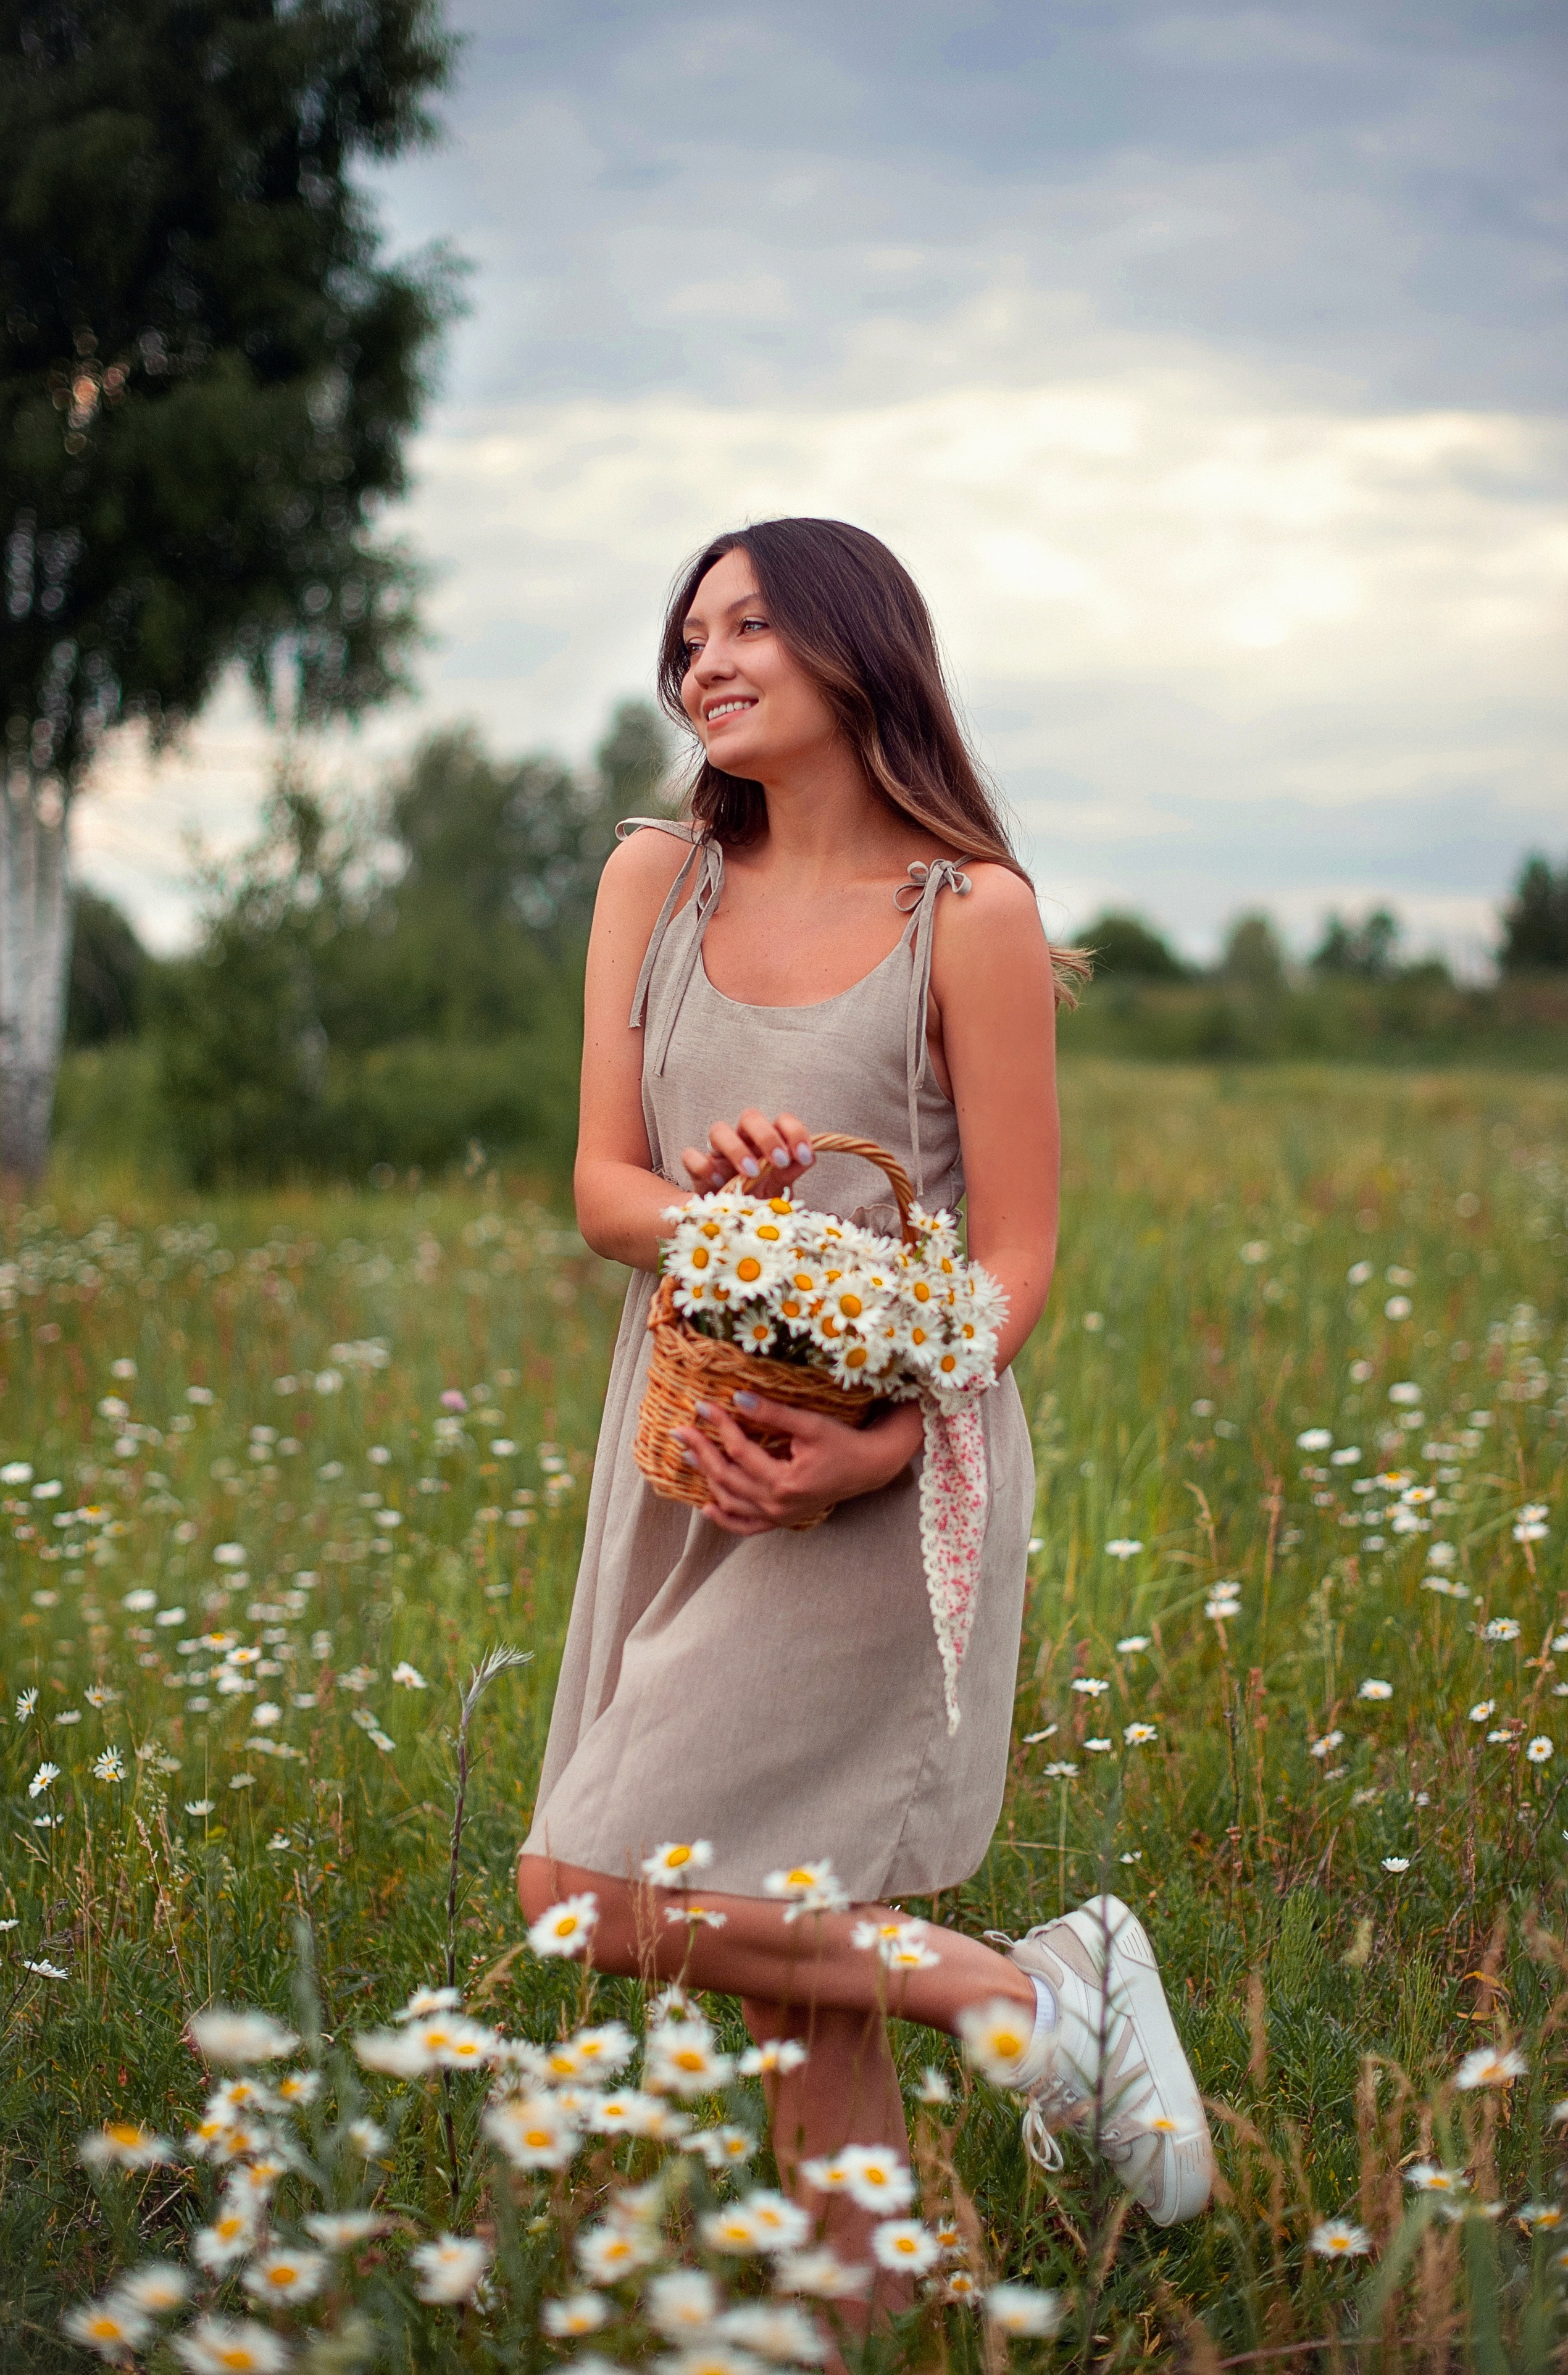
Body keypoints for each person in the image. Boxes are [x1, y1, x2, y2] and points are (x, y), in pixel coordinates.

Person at [519, 518, 1214, 2277]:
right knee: (787, 1944)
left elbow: (1020, 1258)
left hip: (886, 1469)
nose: (706, 662)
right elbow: (606, 1191)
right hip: (687, 1438)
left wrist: (882, 1438)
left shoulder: (968, 913)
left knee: (594, 1893)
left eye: (750, 624)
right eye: (687, 640)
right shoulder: (653, 881)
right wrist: (719, 1216)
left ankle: (1031, 2002)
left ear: (858, 646)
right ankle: (862, 2309)